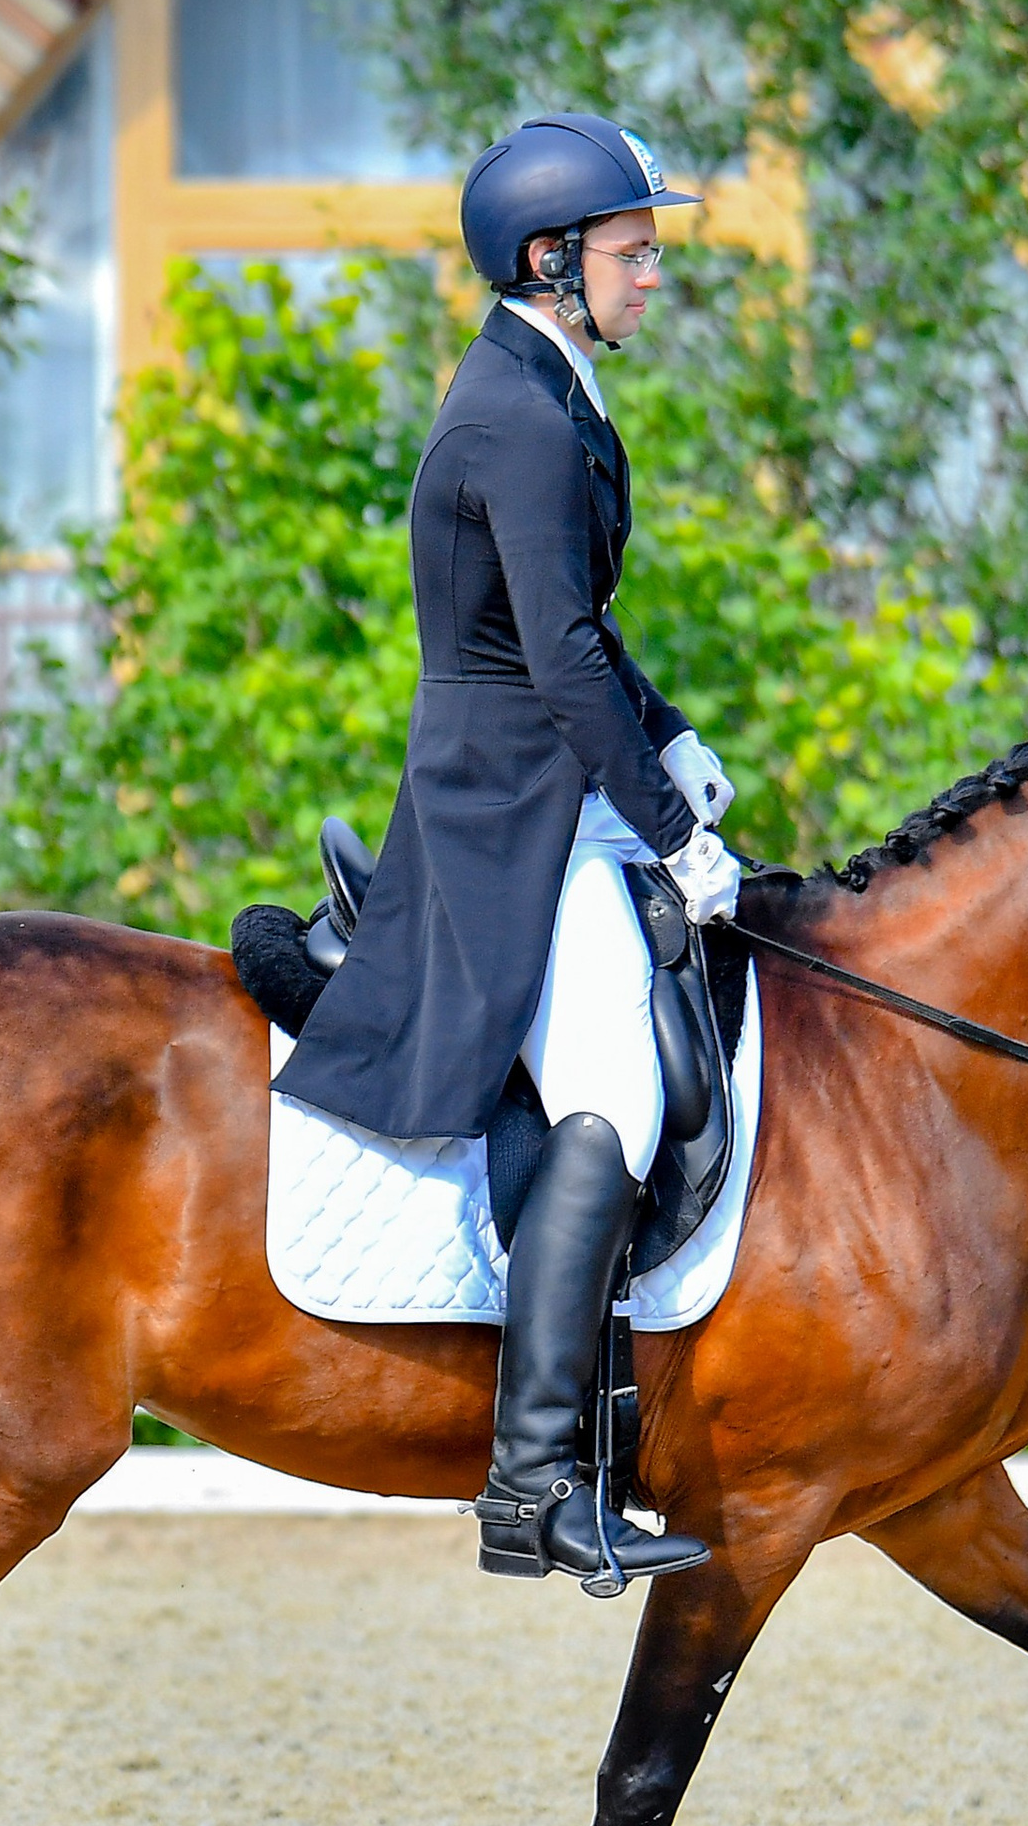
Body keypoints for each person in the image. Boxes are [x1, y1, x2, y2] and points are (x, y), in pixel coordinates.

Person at [276, 114, 740, 1589]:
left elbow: (588, 639)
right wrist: (674, 836)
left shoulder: (553, 391)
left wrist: (665, 736)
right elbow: (549, 664)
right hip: (505, 816)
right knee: (616, 1098)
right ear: (554, 260)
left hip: (554, 781)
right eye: (635, 248)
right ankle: (534, 1481)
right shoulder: (521, 423)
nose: (655, 272)